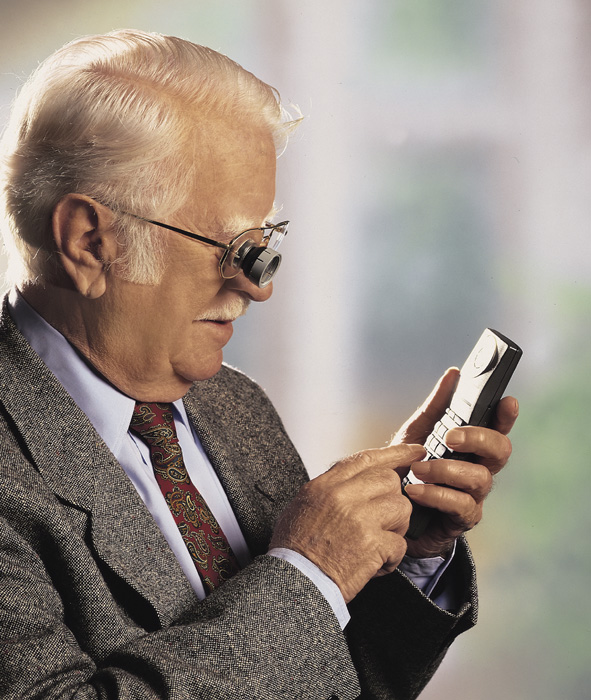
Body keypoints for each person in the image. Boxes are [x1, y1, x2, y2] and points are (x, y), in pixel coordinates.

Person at [0, 29, 517, 700]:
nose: (258, 284)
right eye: (234, 247)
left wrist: (401, 548)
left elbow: (338, 678)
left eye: (264, 243)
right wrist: (309, 571)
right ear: (90, 241)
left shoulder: (234, 406)